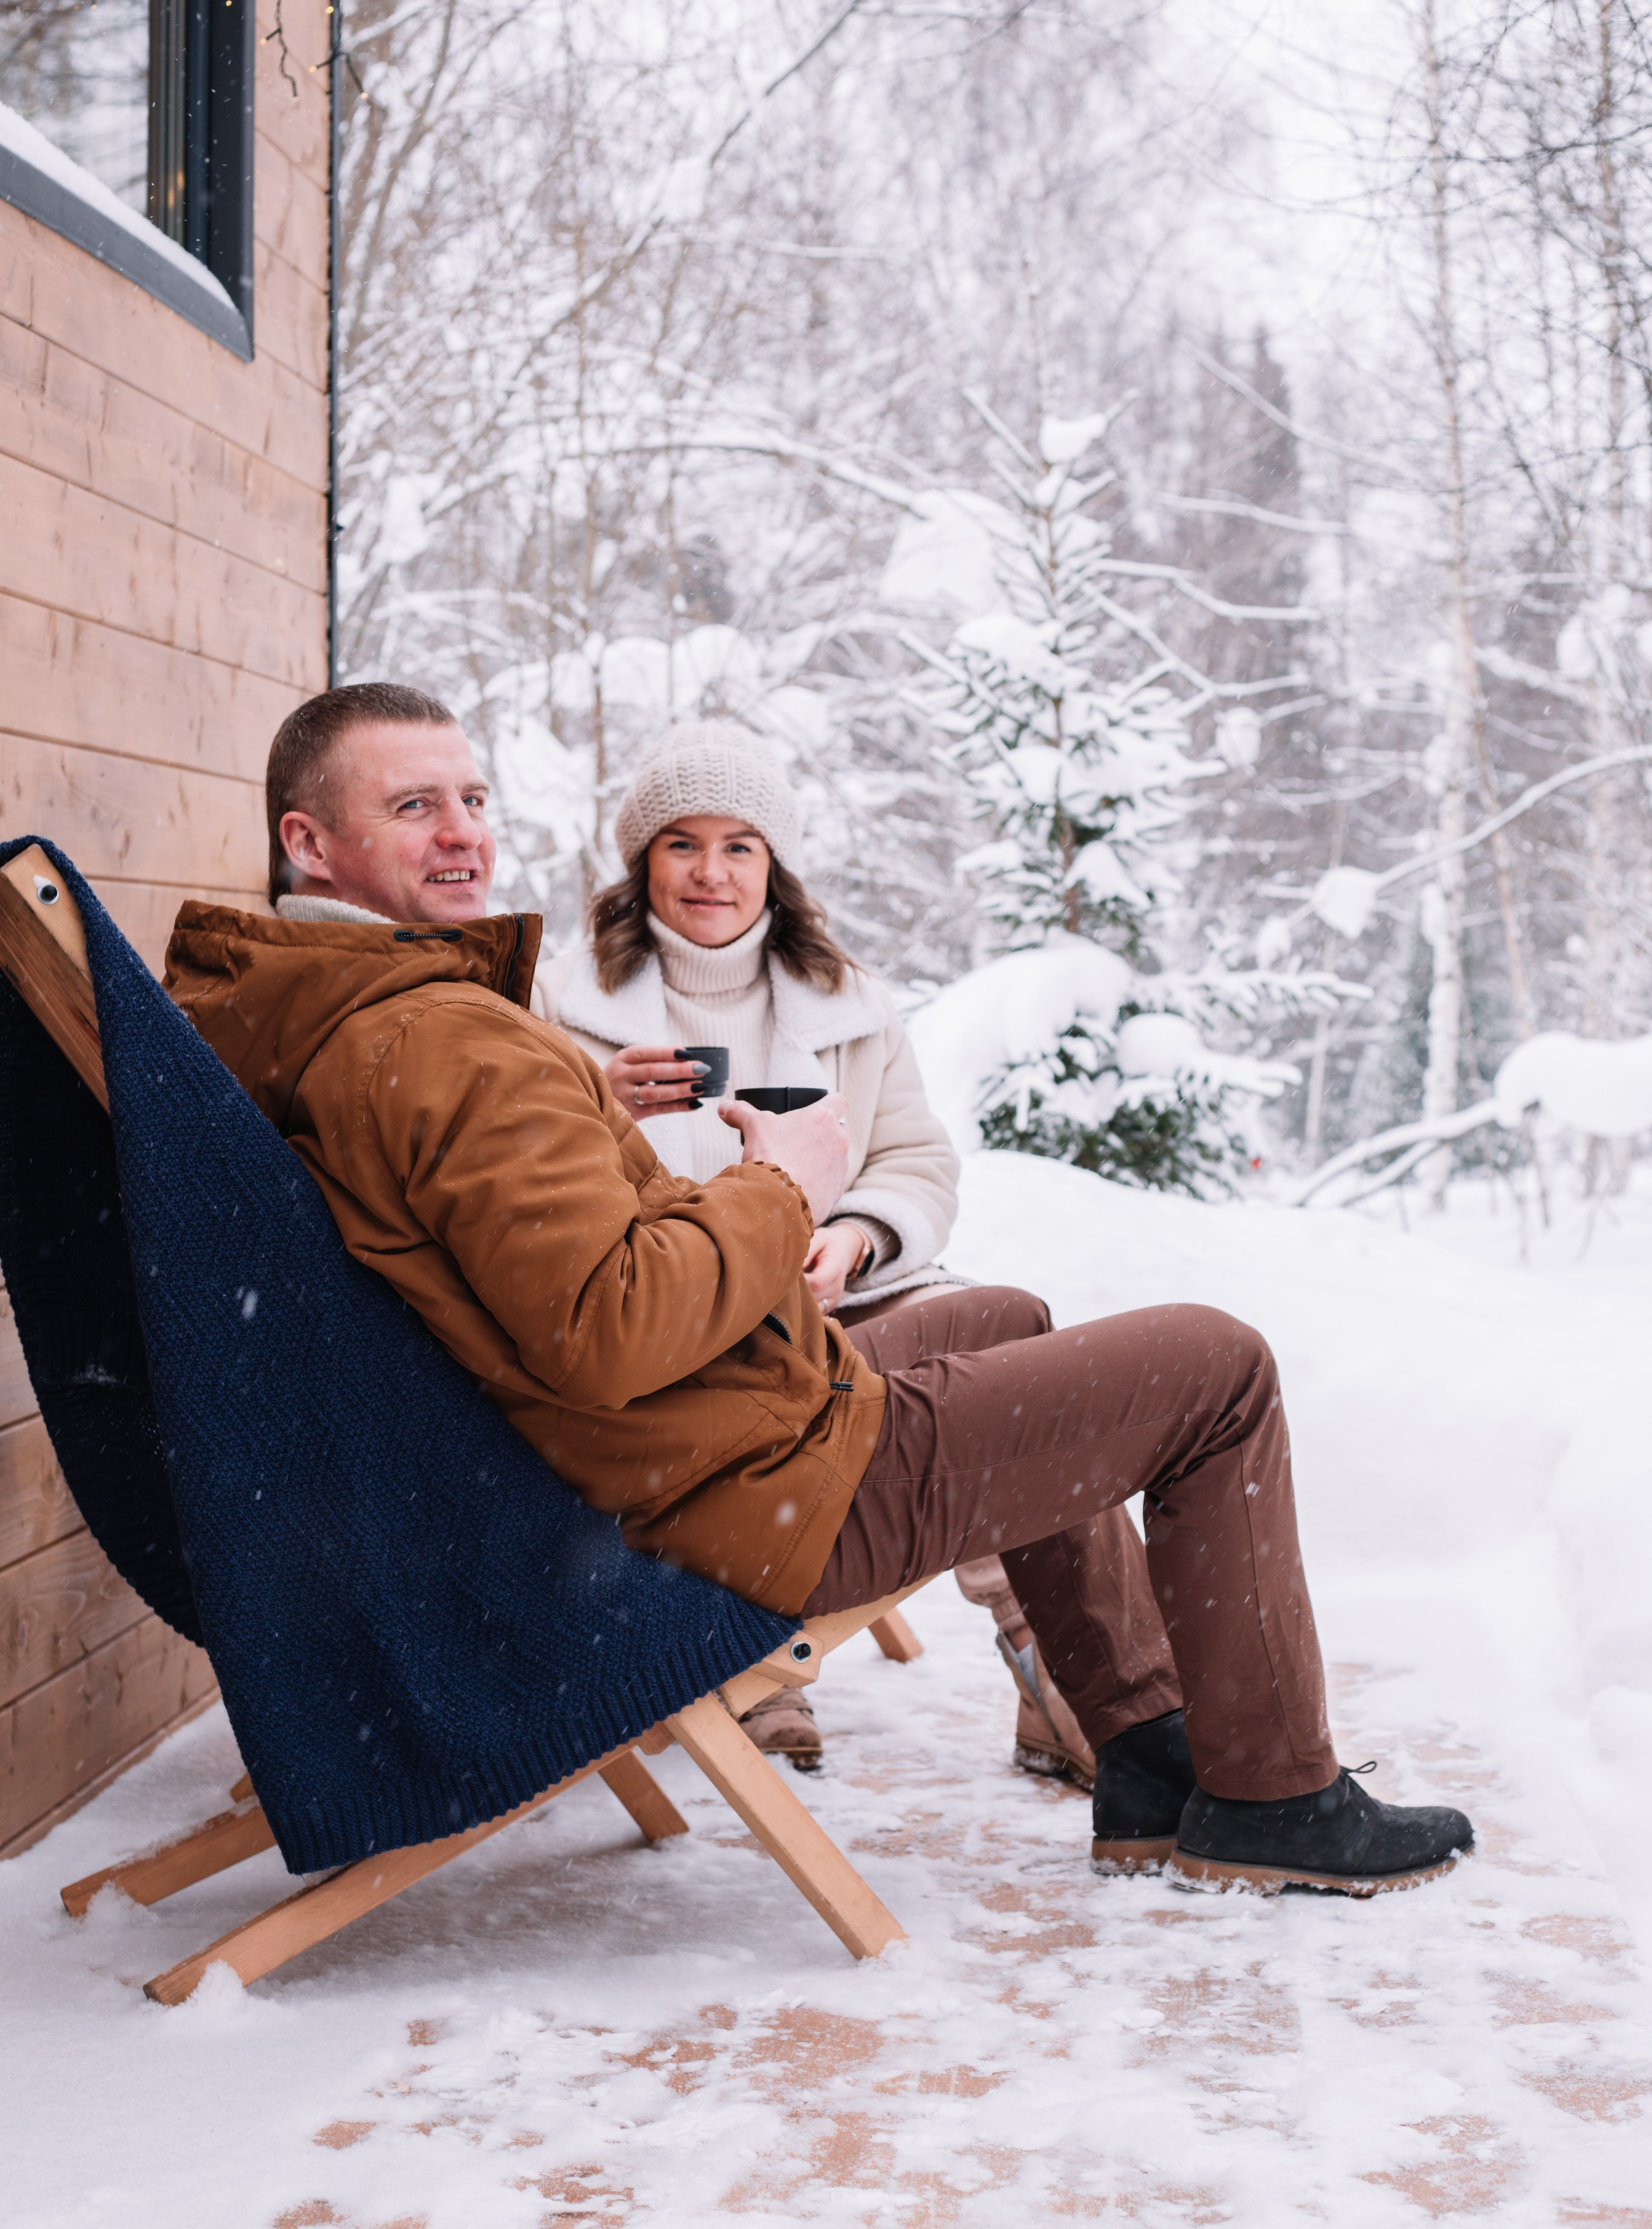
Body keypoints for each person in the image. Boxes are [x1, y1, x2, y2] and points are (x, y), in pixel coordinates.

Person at [167, 681, 1474, 1895]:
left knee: (1008, 1325)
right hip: (734, 1482)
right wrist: (781, 1183)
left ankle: (1141, 1749)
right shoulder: (449, 1033)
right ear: (308, 843)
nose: (462, 837)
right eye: (412, 807)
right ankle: (1272, 1801)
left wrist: (797, 1216)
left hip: (691, 1427)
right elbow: (612, 1327)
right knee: (1215, 1366)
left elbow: (577, 1266)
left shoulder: (359, 1019)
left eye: (472, 801)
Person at [535, 718, 1037, 1768]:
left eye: (739, 846)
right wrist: (595, 1092)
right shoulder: (558, 1004)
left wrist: (853, 1239)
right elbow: (522, 1183)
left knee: (1005, 1355)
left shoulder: (847, 1002)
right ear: (641, 862)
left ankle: (1043, 1659)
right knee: (918, 1395)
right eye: (682, 843)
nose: (710, 873)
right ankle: (748, 1667)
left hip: (836, 1297)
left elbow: (916, 1164)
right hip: (674, 1324)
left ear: (775, 863)